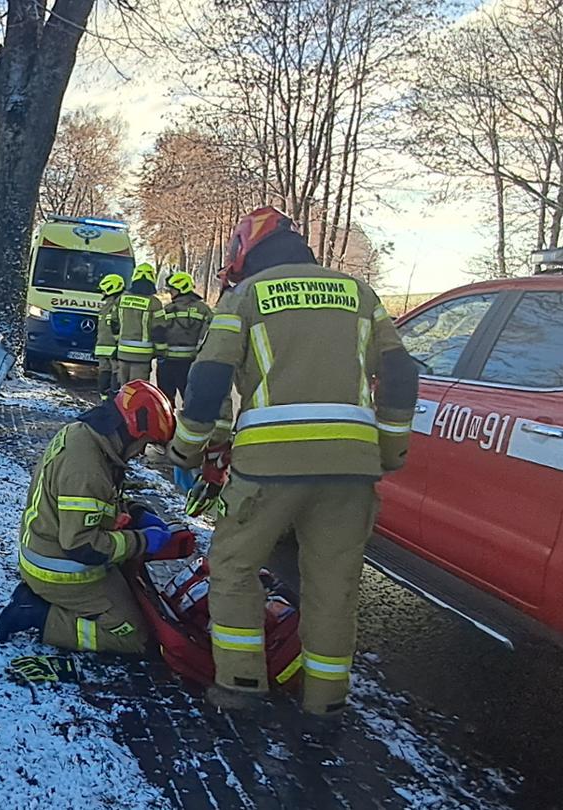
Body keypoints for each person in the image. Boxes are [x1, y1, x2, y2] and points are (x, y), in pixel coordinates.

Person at [167, 207, 419, 731]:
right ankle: (325, 702)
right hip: (351, 468)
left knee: (235, 571)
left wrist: (187, 451)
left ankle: (240, 684)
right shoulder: (359, 294)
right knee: (334, 585)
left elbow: (209, 380)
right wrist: (390, 449)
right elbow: (399, 371)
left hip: (268, 468)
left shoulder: (246, 298)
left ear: (246, 254)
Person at [0, 380, 179, 656]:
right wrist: (141, 542)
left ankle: (41, 601)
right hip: (61, 568)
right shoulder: (87, 467)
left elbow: (97, 503)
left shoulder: (87, 437)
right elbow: (82, 546)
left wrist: (138, 513)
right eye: (146, 444)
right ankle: (39, 615)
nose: (141, 453)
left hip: (46, 551)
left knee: (133, 597)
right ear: (133, 432)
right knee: (134, 635)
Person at [97, 263, 163, 390]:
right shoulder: (155, 303)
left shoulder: (123, 299)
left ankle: (117, 409)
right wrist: (160, 351)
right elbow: (159, 329)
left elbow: (114, 322)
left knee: (123, 389)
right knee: (137, 390)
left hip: (123, 354)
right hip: (142, 357)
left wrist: (117, 342)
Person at [152, 270, 211, 406]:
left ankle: (167, 426)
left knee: (165, 404)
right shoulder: (203, 309)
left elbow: (157, 331)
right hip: (190, 364)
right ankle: (189, 426)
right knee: (191, 402)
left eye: (172, 290)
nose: (170, 293)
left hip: (167, 363)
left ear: (181, 288)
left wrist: (158, 353)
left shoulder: (167, 309)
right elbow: (209, 334)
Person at [91, 272, 127, 398]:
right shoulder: (107, 305)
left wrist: (118, 347)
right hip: (103, 350)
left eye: (104, 290)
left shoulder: (120, 304)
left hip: (115, 350)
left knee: (115, 380)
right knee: (104, 381)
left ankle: (112, 404)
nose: (102, 293)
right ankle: (105, 404)